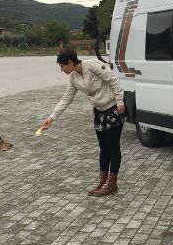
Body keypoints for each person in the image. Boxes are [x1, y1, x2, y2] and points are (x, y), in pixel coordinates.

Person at [40, 49, 127, 196]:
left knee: (113, 146)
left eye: (62, 66)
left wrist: (119, 101)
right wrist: (51, 117)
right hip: (99, 111)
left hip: (113, 108)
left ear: (70, 62)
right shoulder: (74, 76)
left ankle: (112, 184)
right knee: (103, 148)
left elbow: (114, 79)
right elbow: (67, 98)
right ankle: (103, 180)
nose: (62, 70)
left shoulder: (93, 65)